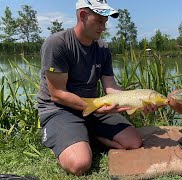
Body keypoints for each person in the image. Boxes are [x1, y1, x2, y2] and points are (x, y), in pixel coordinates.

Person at [37, 0, 159, 176]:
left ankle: (88, 135)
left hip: (94, 107)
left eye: (105, 21)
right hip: (60, 110)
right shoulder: (57, 44)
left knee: (133, 142)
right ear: (83, 16)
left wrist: (137, 101)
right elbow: (57, 94)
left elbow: (110, 87)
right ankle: (68, 139)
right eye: (100, 21)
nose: (103, 27)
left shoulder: (102, 47)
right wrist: (96, 107)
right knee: (79, 165)